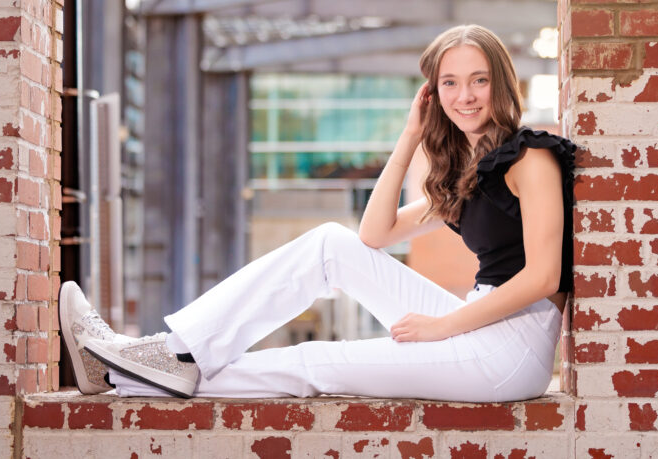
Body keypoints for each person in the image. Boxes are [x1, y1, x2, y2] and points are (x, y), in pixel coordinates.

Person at [60, 24, 575, 402]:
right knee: (331, 242)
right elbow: (374, 235)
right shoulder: (468, 171)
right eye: (450, 83)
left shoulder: (531, 157)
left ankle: (125, 372)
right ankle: (170, 355)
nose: (465, 96)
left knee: (316, 362)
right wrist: (409, 135)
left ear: (501, 83)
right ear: (433, 94)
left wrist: (444, 327)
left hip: (512, 351)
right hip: (477, 324)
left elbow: (543, 276)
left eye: (478, 80)